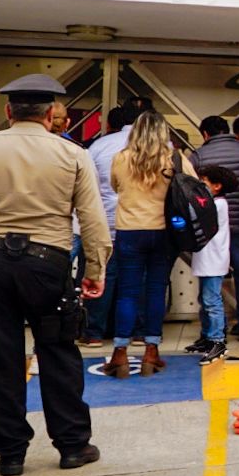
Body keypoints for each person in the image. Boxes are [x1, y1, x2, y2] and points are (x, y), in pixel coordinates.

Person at [0, 75, 109, 475]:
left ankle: (9, 452)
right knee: (58, 351)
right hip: (48, 262)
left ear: (10, 112)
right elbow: (92, 217)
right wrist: (95, 268)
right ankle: (73, 445)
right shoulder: (72, 154)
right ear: (49, 115)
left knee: (0, 357)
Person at [106, 111, 196, 379]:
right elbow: (194, 187)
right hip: (163, 232)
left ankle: (120, 354)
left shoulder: (121, 159)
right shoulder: (175, 159)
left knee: (127, 292)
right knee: (156, 290)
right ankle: (151, 351)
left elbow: (115, 187)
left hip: (129, 231)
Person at [191, 116, 239, 341]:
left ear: (206, 134)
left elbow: (190, 189)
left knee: (211, 280)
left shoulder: (199, 155)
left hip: (212, 229)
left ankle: (213, 330)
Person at [80, 104, 137, 346]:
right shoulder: (159, 145)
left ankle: (94, 333)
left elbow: (87, 185)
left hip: (108, 222)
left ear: (112, 125)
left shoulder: (100, 145)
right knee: (136, 279)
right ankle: (137, 332)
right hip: (144, 224)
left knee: (104, 276)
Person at [187, 166, 235, 366]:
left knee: (212, 301)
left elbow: (194, 213)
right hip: (207, 258)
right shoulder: (214, 202)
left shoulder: (218, 204)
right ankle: (208, 336)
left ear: (217, 186)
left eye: (204, 181)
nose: (200, 185)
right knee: (205, 299)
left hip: (213, 259)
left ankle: (217, 340)